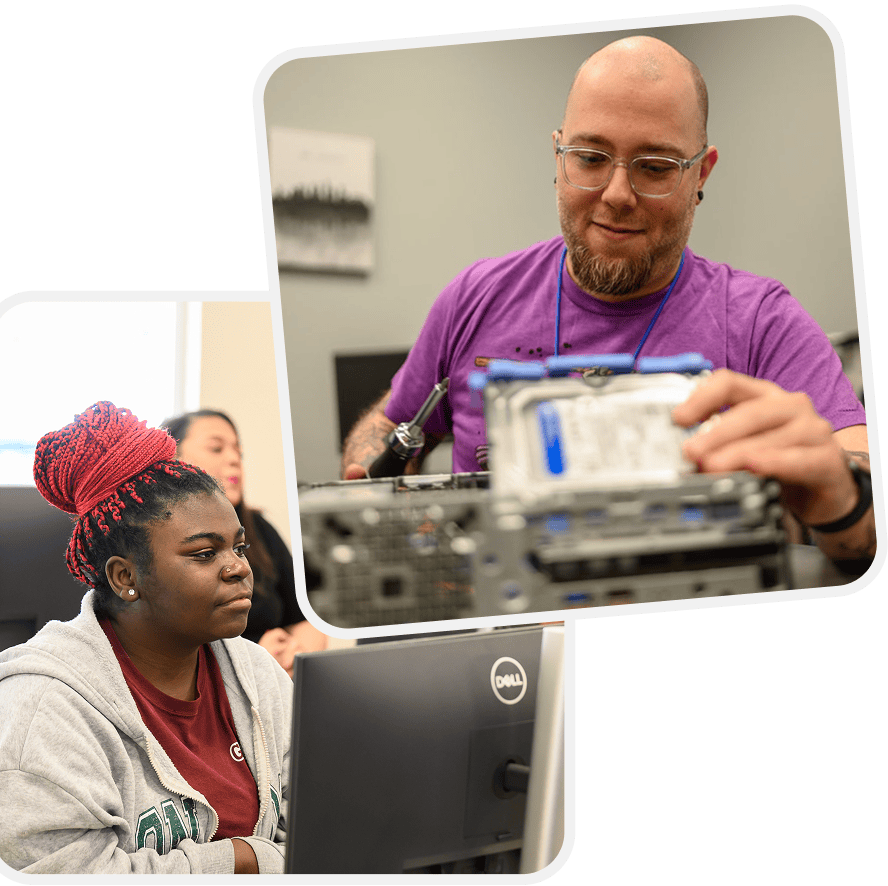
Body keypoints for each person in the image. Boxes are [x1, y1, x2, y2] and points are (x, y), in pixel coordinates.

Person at [341, 35, 874, 568]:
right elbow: (391, 425)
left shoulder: (763, 322)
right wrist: (368, 488)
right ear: (558, 155)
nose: (618, 194)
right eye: (591, 158)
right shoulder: (474, 298)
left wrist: (841, 494)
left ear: (700, 174)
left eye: (656, 167)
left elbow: (866, 503)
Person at [0, 402, 291, 874]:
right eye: (205, 553)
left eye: (238, 547)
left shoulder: (257, 675)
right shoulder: (42, 709)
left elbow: (321, 820)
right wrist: (242, 857)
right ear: (125, 577)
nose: (238, 568)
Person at [163, 410, 328, 675]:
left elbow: (304, 619)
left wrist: (295, 661)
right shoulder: (159, 535)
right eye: (216, 448)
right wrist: (257, 658)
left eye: (238, 451)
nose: (233, 459)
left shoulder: (259, 528)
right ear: (173, 457)